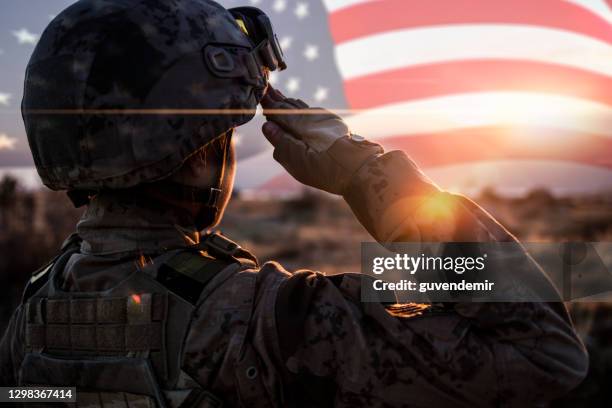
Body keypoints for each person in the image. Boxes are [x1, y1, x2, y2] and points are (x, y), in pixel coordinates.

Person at [0, 0, 588, 407]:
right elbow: (542, 352)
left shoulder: (32, 314)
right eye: (225, 134)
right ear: (197, 149)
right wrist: (365, 171)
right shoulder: (271, 320)